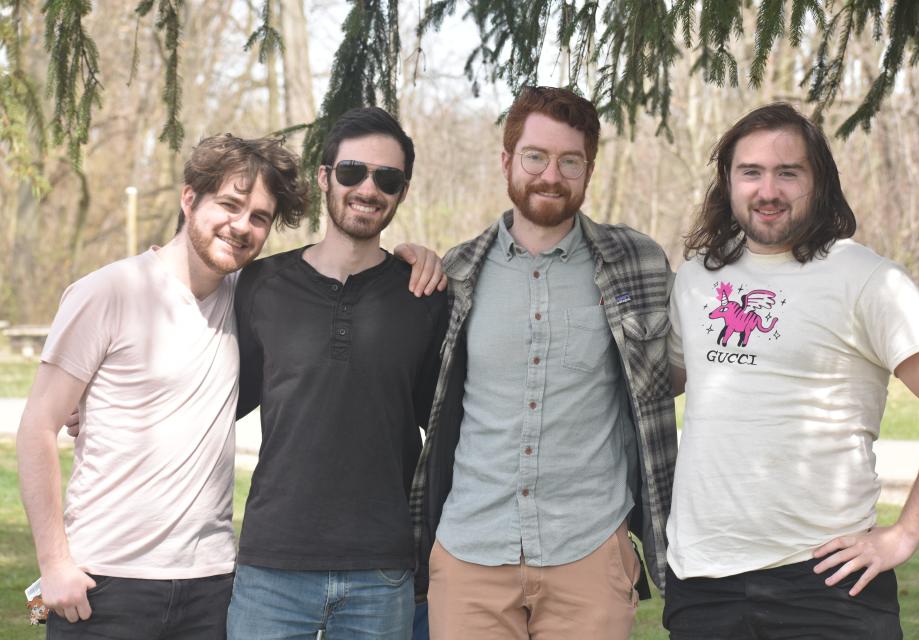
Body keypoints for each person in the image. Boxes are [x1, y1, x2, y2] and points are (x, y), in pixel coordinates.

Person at [664, 102, 919, 639]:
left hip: (826, 582)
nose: (767, 190)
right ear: (727, 181)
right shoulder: (695, 280)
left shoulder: (866, 278)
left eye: (788, 173)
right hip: (701, 580)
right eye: (750, 172)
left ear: (818, 181)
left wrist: (906, 534)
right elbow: (662, 383)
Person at [411, 86, 678, 639]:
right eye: (535, 156)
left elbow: (688, 360)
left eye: (569, 161)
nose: (550, 175)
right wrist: (402, 255)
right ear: (508, 161)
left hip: (588, 549)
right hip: (470, 553)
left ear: (588, 169)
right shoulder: (457, 273)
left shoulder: (637, 263)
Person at [17, 134, 310, 639]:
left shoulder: (253, 300)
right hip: (105, 583)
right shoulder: (109, 291)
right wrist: (54, 563)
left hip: (211, 587)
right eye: (230, 204)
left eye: (259, 217)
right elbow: (37, 428)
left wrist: (411, 257)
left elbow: (333, 266)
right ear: (189, 198)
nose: (242, 226)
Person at [226, 107, 448, 640]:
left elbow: (446, 425)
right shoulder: (261, 284)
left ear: (402, 191)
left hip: (382, 571)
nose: (368, 189)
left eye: (386, 178)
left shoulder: (424, 295)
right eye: (352, 172)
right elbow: (210, 393)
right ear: (325, 177)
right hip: (271, 568)